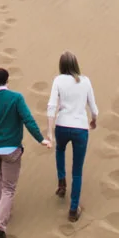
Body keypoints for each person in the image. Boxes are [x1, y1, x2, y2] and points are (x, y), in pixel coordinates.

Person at [0, 66, 49, 238]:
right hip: (11, 150)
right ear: (7, 80)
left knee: (2, 175)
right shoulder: (16, 98)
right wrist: (41, 139)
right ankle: (0, 228)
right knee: (9, 187)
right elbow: (28, 120)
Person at [46, 51, 98, 222]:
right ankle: (73, 209)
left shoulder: (58, 80)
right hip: (80, 128)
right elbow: (93, 106)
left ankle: (61, 182)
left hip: (62, 125)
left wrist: (49, 130)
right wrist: (94, 120)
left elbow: (52, 105)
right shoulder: (85, 81)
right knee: (77, 171)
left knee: (60, 150)